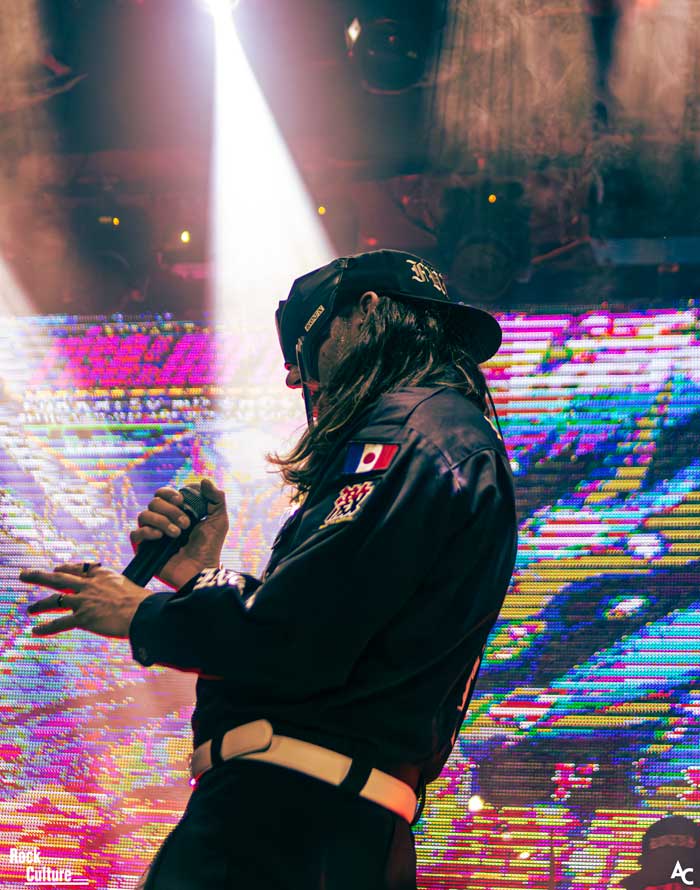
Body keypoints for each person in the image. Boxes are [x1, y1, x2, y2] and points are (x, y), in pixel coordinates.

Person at [22, 249, 518, 890]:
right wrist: (199, 574)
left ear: (365, 312)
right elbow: (333, 626)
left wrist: (140, 612)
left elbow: (296, 637)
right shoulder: (451, 438)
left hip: (282, 825)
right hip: (337, 826)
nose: (295, 380)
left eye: (305, 351)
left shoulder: (406, 433)